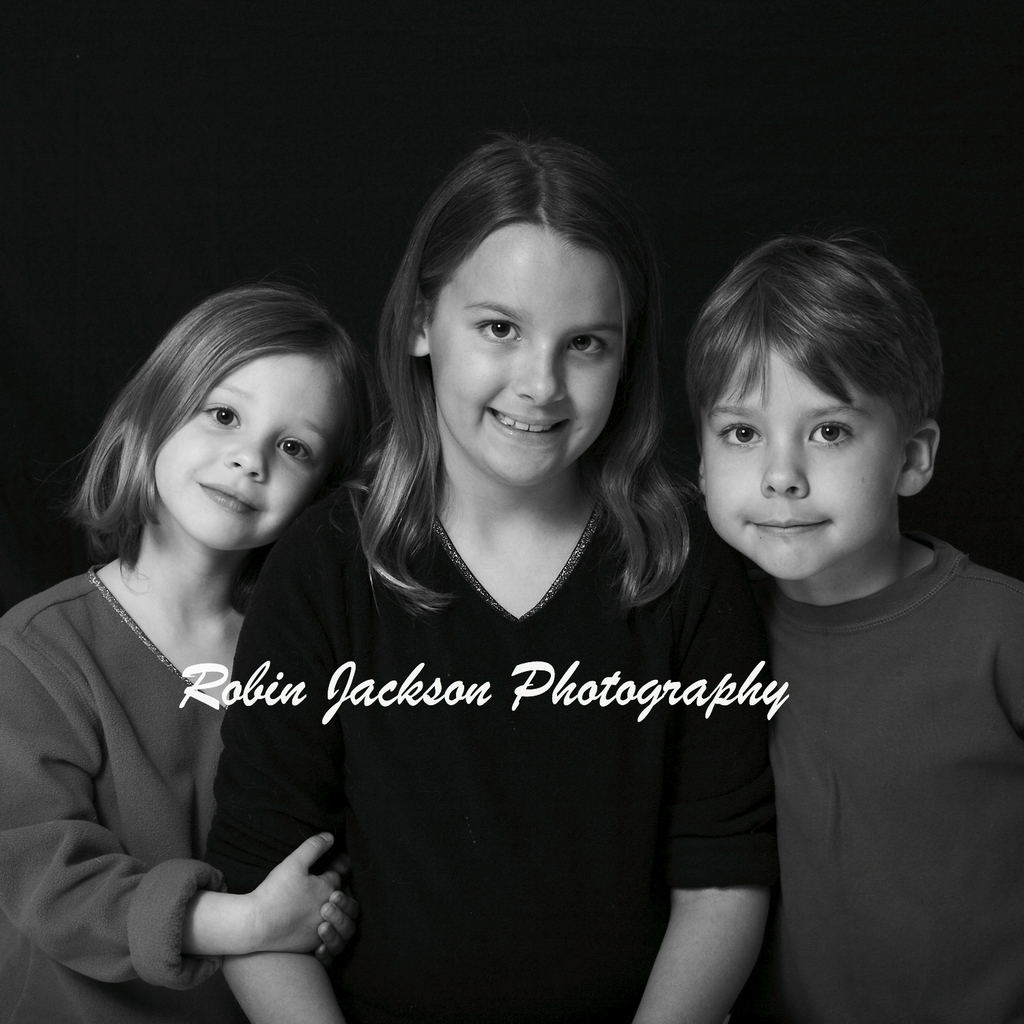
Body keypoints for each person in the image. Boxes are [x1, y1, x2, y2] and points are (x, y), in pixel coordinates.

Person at [206, 135, 779, 1024]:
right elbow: (259, 867)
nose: (540, 385)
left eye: (585, 343)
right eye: (500, 328)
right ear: (421, 322)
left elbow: (723, 875)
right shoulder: (326, 565)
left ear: (627, 356)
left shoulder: (683, 565)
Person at [0, 283, 369, 1023]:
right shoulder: (39, 648)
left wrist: (327, 908)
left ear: (321, 493)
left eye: (293, 448)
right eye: (224, 415)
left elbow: (331, 835)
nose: (249, 460)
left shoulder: (308, 655)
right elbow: (43, 877)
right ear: (155, 411)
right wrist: (247, 922)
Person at [686, 233, 1024, 1022]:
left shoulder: (1002, 630)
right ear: (700, 463)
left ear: (912, 457)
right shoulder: (709, 638)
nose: (781, 475)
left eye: (829, 431)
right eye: (742, 433)